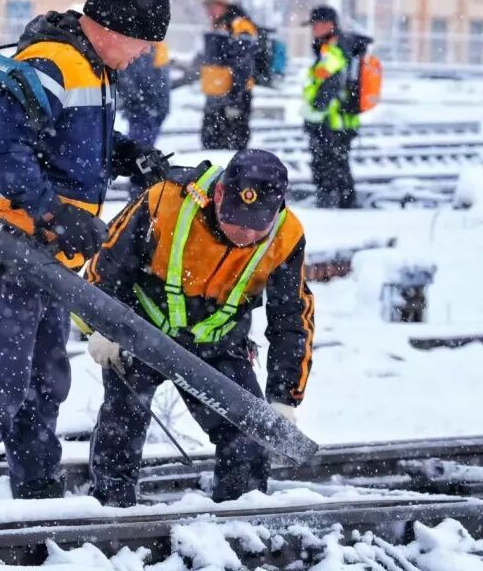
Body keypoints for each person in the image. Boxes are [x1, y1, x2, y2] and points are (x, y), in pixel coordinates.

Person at [0, 0, 172, 511]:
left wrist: (132, 158)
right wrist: (52, 211)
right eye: (143, 43)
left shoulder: (93, 70)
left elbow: (70, 147)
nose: (144, 55)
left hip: (43, 255)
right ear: (115, 27)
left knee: (42, 384)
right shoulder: (54, 62)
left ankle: (37, 496)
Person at [84, 149, 316, 507]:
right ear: (219, 194)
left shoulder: (287, 235)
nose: (244, 232)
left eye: (257, 225)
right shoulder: (167, 199)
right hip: (142, 332)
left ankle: (239, 521)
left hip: (219, 344)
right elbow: (108, 261)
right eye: (237, 219)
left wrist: (285, 397)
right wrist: (102, 327)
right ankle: (112, 513)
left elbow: (292, 319)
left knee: (247, 437)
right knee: (122, 426)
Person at [301, 5, 358, 209]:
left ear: (329, 25)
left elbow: (331, 82)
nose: (313, 30)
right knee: (336, 163)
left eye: (316, 25)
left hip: (332, 121)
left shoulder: (334, 50)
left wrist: (317, 106)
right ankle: (343, 202)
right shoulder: (332, 48)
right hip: (335, 120)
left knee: (328, 164)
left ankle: (334, 203)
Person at [199, 0, 258, 150]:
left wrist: (235, 96)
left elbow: (243, 63)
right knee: (212, 142)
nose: (209, 12)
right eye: (207, 8)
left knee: (232, 143)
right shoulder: (220, 25)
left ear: (223, 6)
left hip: (234, 94)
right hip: (216, 93)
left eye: (212, 7)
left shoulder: (239, 25)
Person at [116, 41, 171, 198]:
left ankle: (141, 192)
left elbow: (161, 78)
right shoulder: (138, 47)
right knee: (140, 156)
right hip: (143, 110)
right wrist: (136, 101)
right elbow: (126, 77)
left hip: (154, 109)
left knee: (144, 154)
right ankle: (139, 193)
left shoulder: (155, 46)